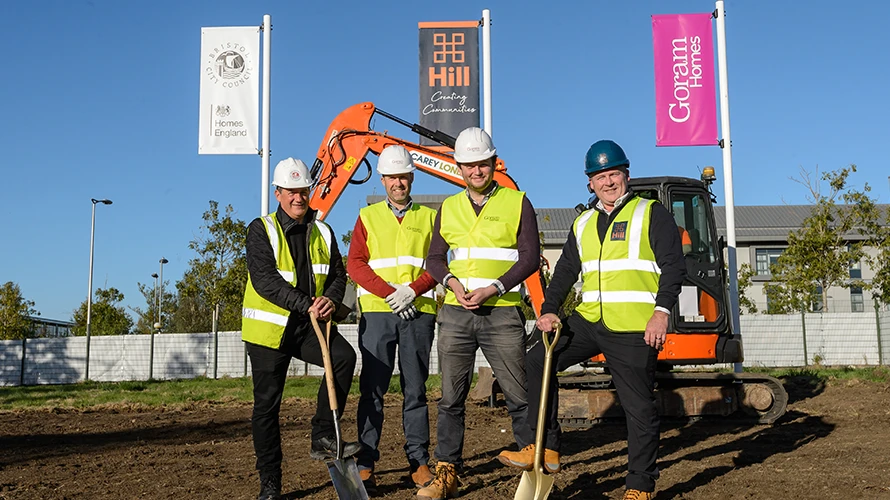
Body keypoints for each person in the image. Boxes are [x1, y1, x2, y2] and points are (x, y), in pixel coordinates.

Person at [497, 140, 686, 500]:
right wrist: (550, 309)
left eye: (614, 174)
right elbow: (566, 269)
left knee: (638, 408)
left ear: (626, 175)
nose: (608, 182)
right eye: (601, 176)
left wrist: (661, 313)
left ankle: (640, 486)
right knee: (536, 357)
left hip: (633, 326)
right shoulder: (583, 221)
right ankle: (546, 448)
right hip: (589, 320)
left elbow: (674, 266)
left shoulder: (652, 213)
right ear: (590, 183)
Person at [421, 127, 539, 500]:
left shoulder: (517, 202)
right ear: (459, 167)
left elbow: (531, 258)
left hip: (502, 312)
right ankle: (447, 472)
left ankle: (532, 463)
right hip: (456, 313)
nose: (476, 171)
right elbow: (435, 258)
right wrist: (453, 283)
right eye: (469, 165)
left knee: (520, 395)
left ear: (493, 162)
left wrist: (495, 288)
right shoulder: (449, 207)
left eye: (482, 163)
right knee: (450, 398)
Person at [242, 157, 359, 500]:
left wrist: (329, 302)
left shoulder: (323, 230)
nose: (298, 197)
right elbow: (265, 281)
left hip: (310, 325)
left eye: (303, 190)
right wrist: (306, 303)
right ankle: (270, 482)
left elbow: (338, 276)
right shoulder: (261, 229)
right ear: (278, 193)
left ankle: (323, 434)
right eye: (291, 191)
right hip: (269, 331)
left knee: (343, 358)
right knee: (267, 406)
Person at [347, 145, 438, 494]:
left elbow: (438, 264)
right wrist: (390, 293)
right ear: (383, 180)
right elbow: (356, 264)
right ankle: (366, 460)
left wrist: (413, 291)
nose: (398, 182)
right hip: (379, 313)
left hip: (418, 313)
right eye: (392, 177)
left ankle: (418, 460)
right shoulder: (368, 218)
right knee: (372, 390)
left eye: (403, 176)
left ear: (411, 177)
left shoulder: (430, 218)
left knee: (415, 390)